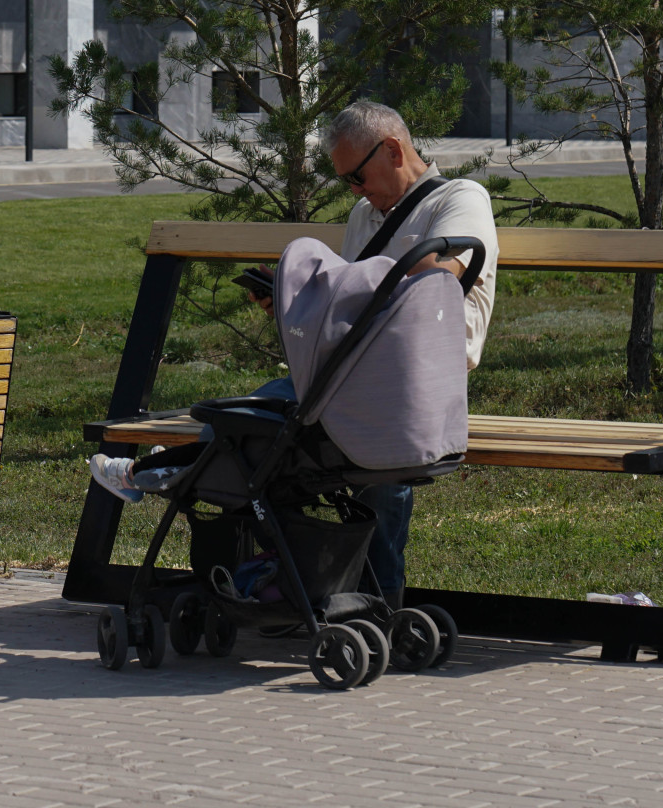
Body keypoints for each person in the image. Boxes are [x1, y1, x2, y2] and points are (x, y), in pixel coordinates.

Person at [89, 99, 498, 606]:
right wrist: (289, 307)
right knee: (243, 423)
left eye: (357, 176)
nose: (355, 190)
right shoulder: (364, 216)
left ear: (393, 150)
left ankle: (376, 599)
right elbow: (348, 311)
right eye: (346, 181)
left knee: (364, 455)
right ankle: (293, 578)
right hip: (348, 374)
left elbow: (438, 280)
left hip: (417, 382)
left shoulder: (459, 198)